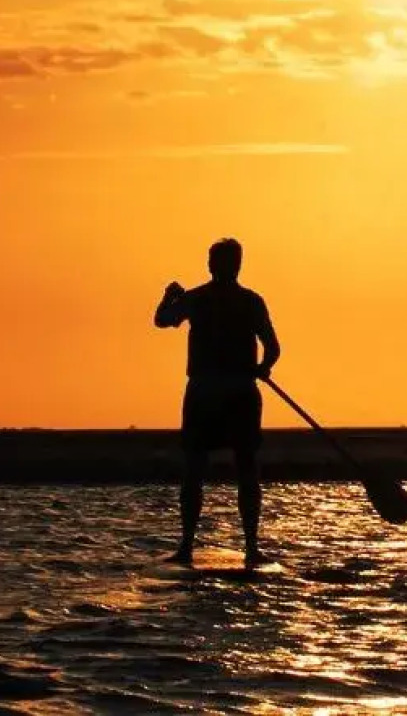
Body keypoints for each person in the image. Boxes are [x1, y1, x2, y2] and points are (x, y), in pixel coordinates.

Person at [154, 238, 279, 567]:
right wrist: (263, 367)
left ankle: (189, 547)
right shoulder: (249, 301)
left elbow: (162, 318)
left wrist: (170, 296)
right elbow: (273, 348)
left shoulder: (197, 299)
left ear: (213, 265)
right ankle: (249, 547)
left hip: (209, 393)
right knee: (242, 467)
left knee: (198, 469)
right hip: (235, 391)